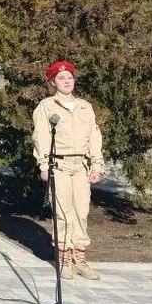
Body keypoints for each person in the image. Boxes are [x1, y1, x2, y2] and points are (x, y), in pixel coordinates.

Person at [32, 60, 104, 280]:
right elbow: (41, 137)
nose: (66, 81)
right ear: (53, 82)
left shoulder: (85, 106)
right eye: (61, 78)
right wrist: (44, 164)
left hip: (80, 166)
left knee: (81, 212)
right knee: (63, 214)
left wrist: (96, 164)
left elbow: (94, 136)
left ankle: (79, 258)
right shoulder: (46, 106)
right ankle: (63, 258)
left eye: (69, 78)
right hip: (59, 165)